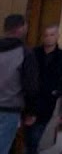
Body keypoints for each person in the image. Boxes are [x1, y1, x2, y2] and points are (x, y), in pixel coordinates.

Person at [27, 25, 62, 154]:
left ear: (57, 36)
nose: (48, 38)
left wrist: (58, 92)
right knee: (28, 135)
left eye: (52, 35)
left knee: (36, 135)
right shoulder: (33, 53)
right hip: (30, 98)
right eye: (46, 35)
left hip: (47, 101)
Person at [0, 14, 40, 154]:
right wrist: (31, 111)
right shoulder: (24, 53)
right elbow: (30, 86)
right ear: (22, 28)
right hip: (9, 108)